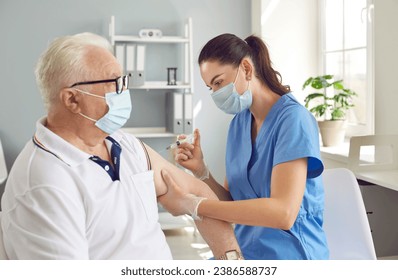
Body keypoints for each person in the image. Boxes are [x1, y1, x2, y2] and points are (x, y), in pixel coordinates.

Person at [0, 32, 241, 260]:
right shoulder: (46, 183)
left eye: (123, 80)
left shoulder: (123, 143)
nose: (125, 91)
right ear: (72, 99)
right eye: (114, 83)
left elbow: (197, 193)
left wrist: (233, 264)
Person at [160, 33, 329, 260]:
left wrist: (194, 205)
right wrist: (202, 172)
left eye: (218, 82)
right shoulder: (239, 124)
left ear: (247, 69)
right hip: (246, 251)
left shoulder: (293, 120)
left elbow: (283, 213)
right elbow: (233, 204)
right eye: (211, 87)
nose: (216, 93)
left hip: (292, 254)